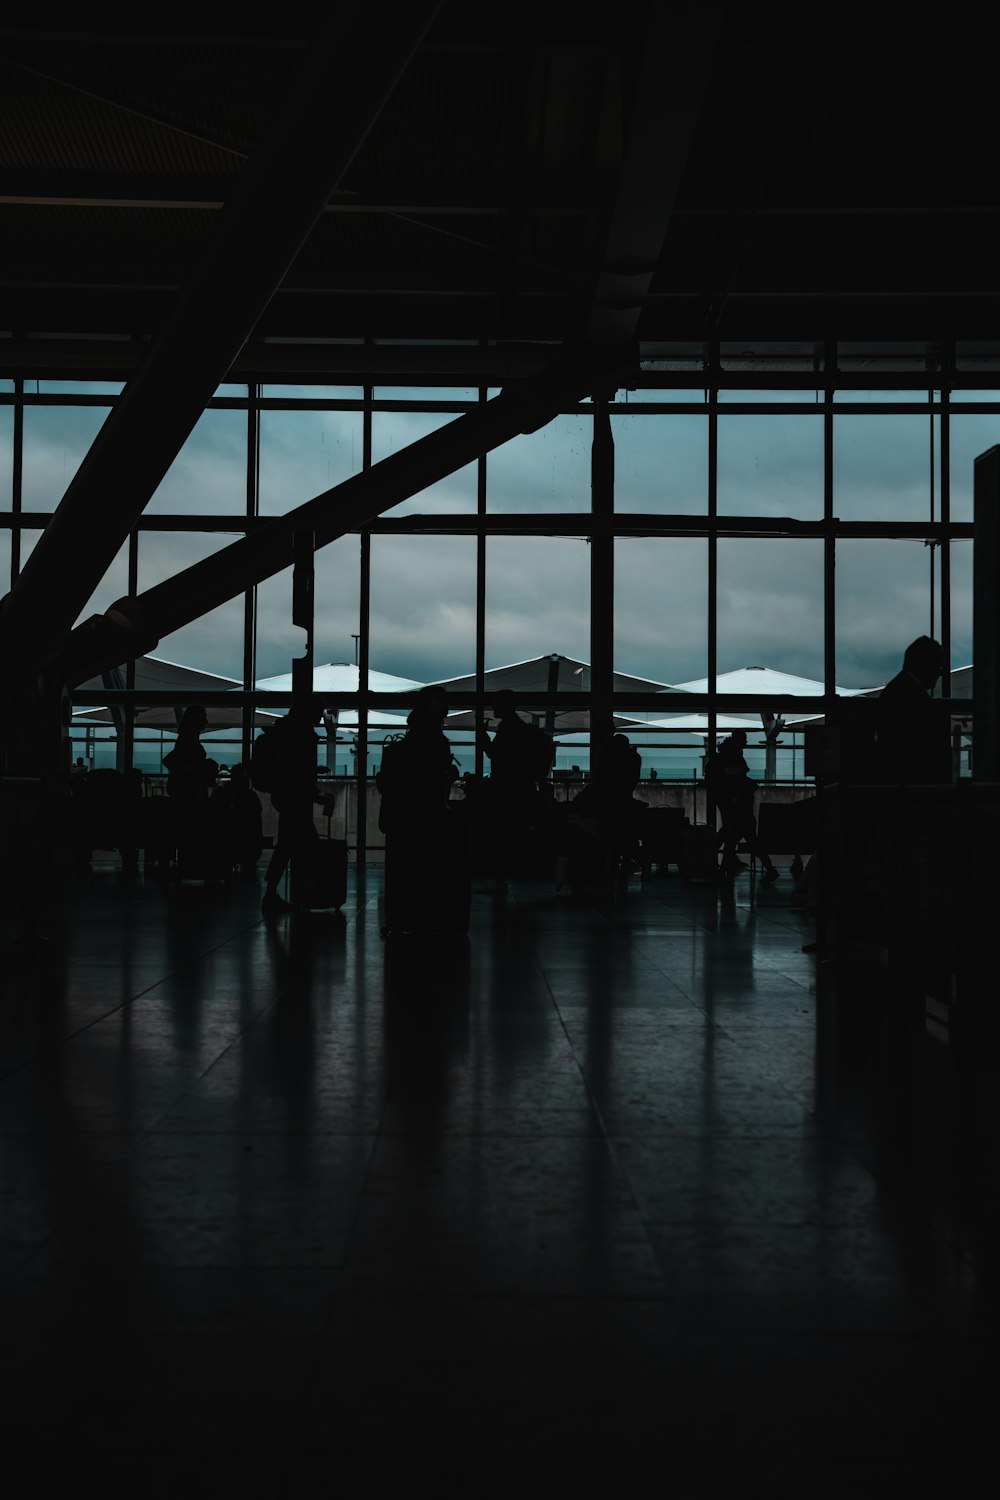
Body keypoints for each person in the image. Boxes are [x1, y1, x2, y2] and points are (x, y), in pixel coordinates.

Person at [475, 689, 554, 894]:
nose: (494, 707)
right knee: (511, 833)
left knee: (501, 834)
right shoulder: (520, 728)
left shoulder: (508, 728)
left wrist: (482, 736)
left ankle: (499, 878)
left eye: (496, 704)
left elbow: (495, 754)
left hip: (508, 789)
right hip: (520, 788)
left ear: (505, 705)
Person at [261, 697, 327, 914]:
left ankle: (276, 892)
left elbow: (289, 769)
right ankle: (301, 893)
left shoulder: (286, 732)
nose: (320, 715)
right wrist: (313, 792)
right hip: (295, 797)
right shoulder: (301, 735)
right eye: (318, 710)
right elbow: (297, 771)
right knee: (303, 845)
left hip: (287, 795)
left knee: (289, 844)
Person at [874, 635, 950, 784]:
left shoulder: (899, 691)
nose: (940, 673)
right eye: (938, 666)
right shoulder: (912, 697)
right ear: (924, 663)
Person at [706, 729, 779, 882]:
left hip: (730, 802)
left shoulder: (724, 754)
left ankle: (712, 863)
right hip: (738, 803)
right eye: (744, 739)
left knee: (731, 835)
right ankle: (768, 868)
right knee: (744, 835)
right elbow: (737, 776)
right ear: (739, 739)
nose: (746, 742)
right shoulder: (734, 754)